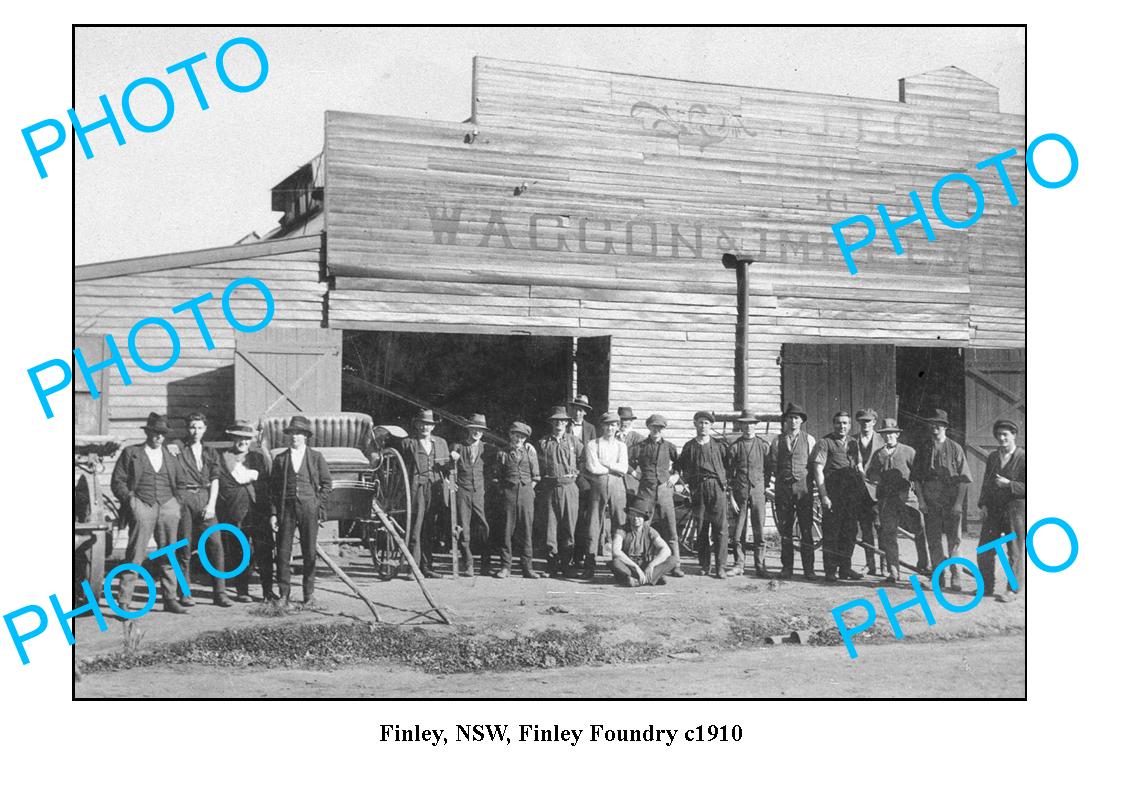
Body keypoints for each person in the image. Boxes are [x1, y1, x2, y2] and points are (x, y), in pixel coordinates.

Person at [110, 413, 189, 614]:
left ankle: (170, 599)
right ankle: (124, 601)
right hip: (142, 505)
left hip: (167, 506)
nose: (158, 437)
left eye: (162, 434)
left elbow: (181, 483)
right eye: (155, 433)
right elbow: (117, 481)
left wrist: (176, 504)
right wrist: (131, 500)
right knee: (135, 553)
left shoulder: (171, 457)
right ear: (148, 433)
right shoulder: (132, 453)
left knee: (168, 553)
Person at [269, 415, 332, 609]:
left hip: (308, 508)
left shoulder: (315, 457)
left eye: (299, 433)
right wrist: (273, 513)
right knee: (283, 552)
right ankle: (283, 595)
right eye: (292, 433)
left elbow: (327, 484)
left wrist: (318, 505)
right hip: (285, 509)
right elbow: (272, 489)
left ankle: (308, 594)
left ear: (306, 436)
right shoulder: (280, 459)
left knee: (309, 552)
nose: (295, 436)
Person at [914, 409, 973, 591]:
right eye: (932, 425)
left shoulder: (955, 448)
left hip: (951, 502)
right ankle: (939, 579)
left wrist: (958, 504)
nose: (935, 428)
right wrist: (921, 501)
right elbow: (916, 478)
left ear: (945, 427)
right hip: (930, 502)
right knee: (933, 540)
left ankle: (956, 576)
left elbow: (964, 479)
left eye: (938, 425)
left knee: (954, 540)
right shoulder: (924, 449)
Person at [216, 421, 275, 602]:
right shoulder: (224, 458)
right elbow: (225, 485)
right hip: (235, 511)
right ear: (232, 438)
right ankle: (242, 591)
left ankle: (268, 591)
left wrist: (272, 512)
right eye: (239, 438)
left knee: (264, 551)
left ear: (251, 441)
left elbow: (268, 484)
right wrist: (250, 476)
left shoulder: (258, 458)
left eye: (247, 439)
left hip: (259, 511)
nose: (243, 442)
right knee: (239, 551)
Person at [174, 412, 226, 606]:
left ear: (205, 429)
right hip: (184, 498)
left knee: (215, 543)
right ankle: (184, 592)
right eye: (192, 427)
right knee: (184, 546)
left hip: (205, 498)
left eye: (200, 427)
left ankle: (220, 592)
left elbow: (215, 479)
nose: (196, 431)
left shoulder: (210, 452)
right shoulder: (178, 449)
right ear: (188, 428)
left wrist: (211, 504)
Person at [866, 418, 927, 583]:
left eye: (891, 433)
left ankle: (924, 563)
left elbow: (918, 475)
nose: (888, 437)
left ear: (897, 434)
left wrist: (919, 498)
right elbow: (871, 475)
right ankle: (894, 571)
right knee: (889, 534)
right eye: (885, 434)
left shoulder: (908, 451)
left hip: (907, 498)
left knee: (920, 528)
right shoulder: (878, 454)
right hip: (887, 500)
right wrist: (879, 468)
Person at [399, 409, 454, 579]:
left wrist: (453, 461)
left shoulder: (441, 443)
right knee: (416, 526)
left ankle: (427, 566)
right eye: (422, 424)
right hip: (417, 488)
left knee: (430, 527)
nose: (425, 427)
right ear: (417, 425)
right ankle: (413, 568)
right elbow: (401, 467)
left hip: (436, 488)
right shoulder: (408, 443)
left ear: (433, 427)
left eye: (428, 424)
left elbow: (446, 468)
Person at [812, 411, 866, 582]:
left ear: (849, 426)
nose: (841, 426)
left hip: (851, 495)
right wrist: (824, 496)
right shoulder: (825, 443)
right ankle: (830, 570)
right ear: (833, 424)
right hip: (833, 494)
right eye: (838, 423)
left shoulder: (853, 443)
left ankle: (845, 568)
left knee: (849, 532)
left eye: (845, 423)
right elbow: (818, 470)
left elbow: (859, 464)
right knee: (832, 533)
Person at [976, 420, 1026, 602]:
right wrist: (983, 505)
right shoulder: (993, 457)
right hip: (994, 510)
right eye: (999, 435)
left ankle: (1012, 590)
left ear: (1014, 435)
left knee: (1015, 551)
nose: (1002, 438)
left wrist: (1009, 485)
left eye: (1005, 434)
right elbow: (986, 483)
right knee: (985, 549)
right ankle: (986, 586)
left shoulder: (1024, 457)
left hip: (1015, 512)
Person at [629, 414, 684, 577]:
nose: (656, 430)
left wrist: (675, 476)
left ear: (663, 429)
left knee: (670, 527)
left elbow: (680, 464)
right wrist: (634, 473)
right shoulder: (640, 446)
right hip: (646, 490)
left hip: (665, 490)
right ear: (648, 427)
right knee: (644, 528)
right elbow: (626, 461)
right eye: (654, 427)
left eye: (659, 428)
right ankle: (644, 563)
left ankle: (676, 565)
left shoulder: (669, 447)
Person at [767, 402, 817, 579]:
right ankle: (786, 567)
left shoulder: (809, 440)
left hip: (803, 489)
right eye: (790, 418)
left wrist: (807, 482)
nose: (793, 421)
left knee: (805, 529)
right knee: (785, 529)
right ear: (785, 421)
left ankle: (808, 569)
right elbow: (773, 464)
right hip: (784, 490)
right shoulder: (777, 440)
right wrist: (780, 479)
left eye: (796, 418)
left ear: (801, 421)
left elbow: (813, 465)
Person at [676, 410, 729, 578]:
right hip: (698, 489)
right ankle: (705, 565)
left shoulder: (720, 446)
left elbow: (729, 466)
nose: (703, 426)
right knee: (701, 528)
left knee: (720, 528)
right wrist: (683, 486)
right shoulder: (689, 446)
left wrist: (726, 485)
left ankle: (721, 566)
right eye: (700, 422)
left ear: (711, 426)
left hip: (717, 488)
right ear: (695, 424)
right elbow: (679, 467)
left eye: (706, 423)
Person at [488, 421, 541, 579]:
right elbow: (496, 476)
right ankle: (505, 567)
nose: (519, 439)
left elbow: (536, 475)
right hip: (508, 494)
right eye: (516, 435)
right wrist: (504, 491)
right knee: (506, 530)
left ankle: (527, 567)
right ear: (510, 435)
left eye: (522, 436)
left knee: (526, 530)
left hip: (526, 493)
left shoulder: (530, 451)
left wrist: (528, 488)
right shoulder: (502, 453)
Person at [582, 412, 630, 578]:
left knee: (620, 521)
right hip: (599, 484)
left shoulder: (621, 446)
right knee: (594, 522)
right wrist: (611, 469)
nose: (610, 428)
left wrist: (606, 464)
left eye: (614, 425)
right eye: (607, 425)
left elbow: (624, 468)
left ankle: (620, 564)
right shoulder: (592, 444)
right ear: (602, 426)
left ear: (617, 427)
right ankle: (589, 564)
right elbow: (593, 467)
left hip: (618, 485)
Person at [535, 406, 581, 577]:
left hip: (569, 487)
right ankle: (552, 564)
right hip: (549, 488)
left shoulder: (574, 441)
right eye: (556, 421)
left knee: (569, 526)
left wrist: (577, 476)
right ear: (551, 423)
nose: (559, 424)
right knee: (550, 527)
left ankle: (566, 564)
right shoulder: (543, 443)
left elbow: (584, 461)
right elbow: (537, 466)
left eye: (562, 421)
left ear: (567, 423)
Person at [725, 409, 771, 577]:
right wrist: (731, 497)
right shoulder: (735, 447)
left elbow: (769, 469)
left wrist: (764, 488)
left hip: (758, 491)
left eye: (751, 424)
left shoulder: (763, 446)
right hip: (740, 492)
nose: (748, 427)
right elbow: (729, 474)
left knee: (759, 529)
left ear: (755, 426)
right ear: (741, 426)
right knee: (738, 531)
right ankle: (739, 564)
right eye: (745, 424)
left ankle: (760, 565)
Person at [449, 414, 489, 577]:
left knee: (483, 526)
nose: (477, 432)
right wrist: (453, 460)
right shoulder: (458, 447)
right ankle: (468, 563)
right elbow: (447, 470)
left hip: (479, 491)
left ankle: (485, 564)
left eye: (480, 430)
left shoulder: (487, 448)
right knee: (463, 527)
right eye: (474, 429)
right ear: (469, 429)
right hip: (463, 490)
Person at [610, 494, 678, 587]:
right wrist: (636, 567)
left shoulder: (650, 530)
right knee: (616, 562)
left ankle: (637, 581)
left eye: (639, 516)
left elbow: (666, 550)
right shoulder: (622, 530)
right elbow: (615, 551)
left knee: (672, 560)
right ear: (629, 516)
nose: (635, 519)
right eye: (633, 515)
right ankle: (653, 578)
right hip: (629, 565)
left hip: (645, 564)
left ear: (644, 518)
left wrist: (651, 565)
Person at [853, 408, 884, 576]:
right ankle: (870, 564)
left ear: (874, 422)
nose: (865, 424)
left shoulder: (882, 440)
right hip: (859, 491)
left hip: (878, 491)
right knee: (865, 529)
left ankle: (885, 565)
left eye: (868, 421)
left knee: (881, 527)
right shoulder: (852, 440)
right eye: (862, 421)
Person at [568, 394, 597, 569]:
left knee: (582, 517)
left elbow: (592, 452)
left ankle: (579, 555)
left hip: (585, 478)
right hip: (569, 476)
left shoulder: (591, 428)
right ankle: (564, 556)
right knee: (568, 516)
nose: (578, 413)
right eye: (576, 409)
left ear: (585, 413)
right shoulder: (564, 426)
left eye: (581, 410)